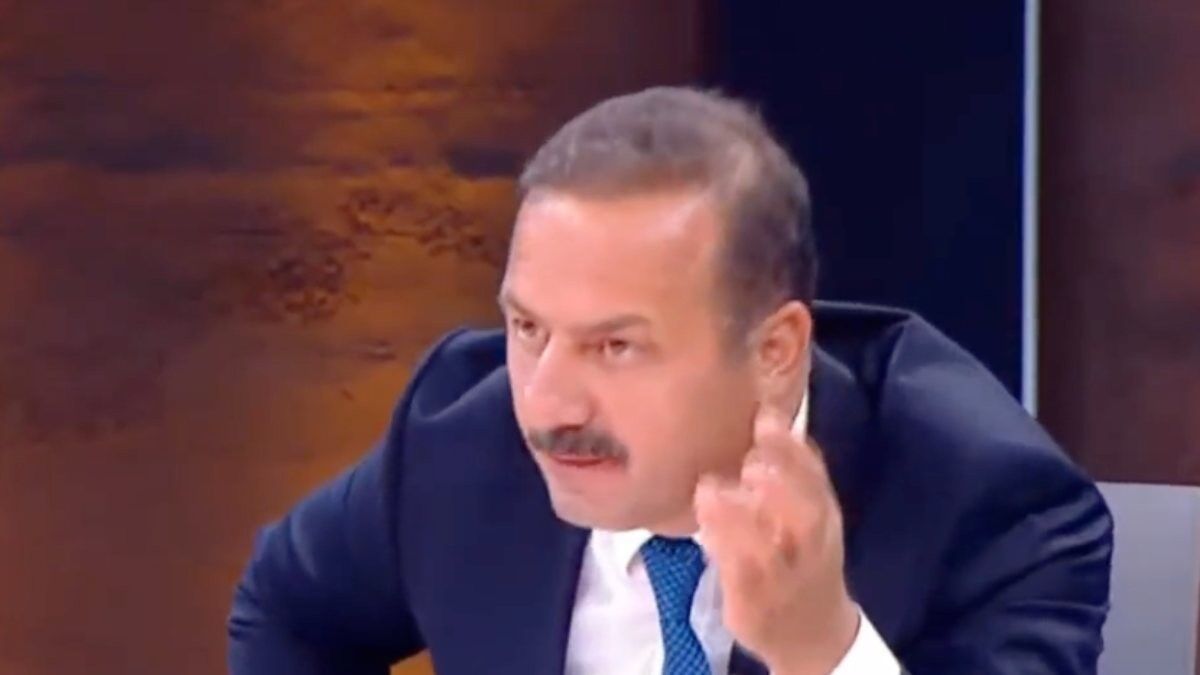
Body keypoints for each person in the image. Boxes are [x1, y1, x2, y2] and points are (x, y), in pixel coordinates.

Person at [227, 87, 1112, 675]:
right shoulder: (460, 439)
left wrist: (824, 651)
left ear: (775, 351)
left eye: (615, 346)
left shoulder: (988, 504)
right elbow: (290, 609)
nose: (547, 403)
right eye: (528, 328)